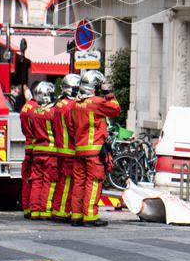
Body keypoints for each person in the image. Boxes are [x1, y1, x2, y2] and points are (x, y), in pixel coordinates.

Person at [70, 70, 120, 227]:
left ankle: (77, 215)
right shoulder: (97, 102)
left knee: (79, 183)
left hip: (80, 150)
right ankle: (90, 216)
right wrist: (108, 92)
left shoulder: (76, 104)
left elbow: (72, 127)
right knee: (94, 182)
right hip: (94, 151)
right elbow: (115, 109)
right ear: (95, 87)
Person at [49, 74, 81, 222]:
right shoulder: (71, 106)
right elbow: (74, 128)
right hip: (70, 151)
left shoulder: (59, 104)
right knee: (68, 183)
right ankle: (62, 211)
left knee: (61, 181)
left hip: (60, 150)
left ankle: (58, 209)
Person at [26, 84, 58, 219]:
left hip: (37, 151)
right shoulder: (52, 113)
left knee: (36, 182)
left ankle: (34, 210)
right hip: (50, 152)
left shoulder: (33, 112)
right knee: (48, 182)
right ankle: (45, 210)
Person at [19, 85, 39, 218]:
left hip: (28, 146)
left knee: (27, 179)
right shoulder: (36, 108)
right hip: (37, 146)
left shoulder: (25, 108)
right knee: (37, 180)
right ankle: (34, 208)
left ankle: (26, 208)